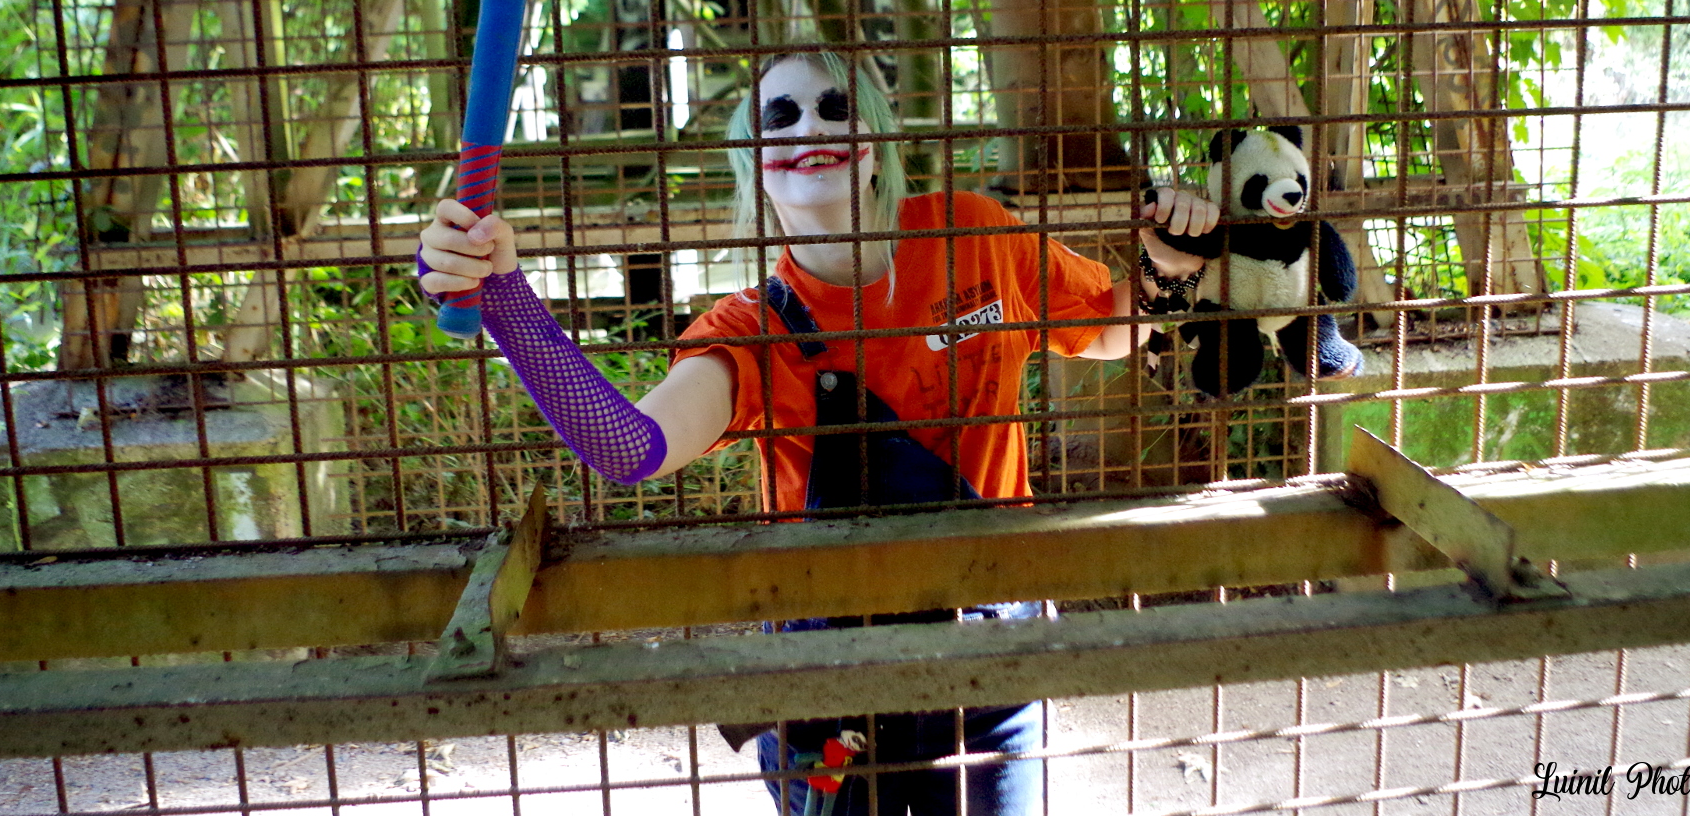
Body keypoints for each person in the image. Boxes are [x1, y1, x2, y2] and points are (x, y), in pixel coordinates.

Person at [418, 50, 1218, 816]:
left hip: (994, 665)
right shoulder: (750, 329)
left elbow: (1110, 330)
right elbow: (631, 448)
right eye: (782, 116)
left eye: (836, 109)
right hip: (827, 677)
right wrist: (506, 301)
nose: (809, 128)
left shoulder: (975, 235)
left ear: (875, 144)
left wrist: (1170, 272)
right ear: (755, 163)